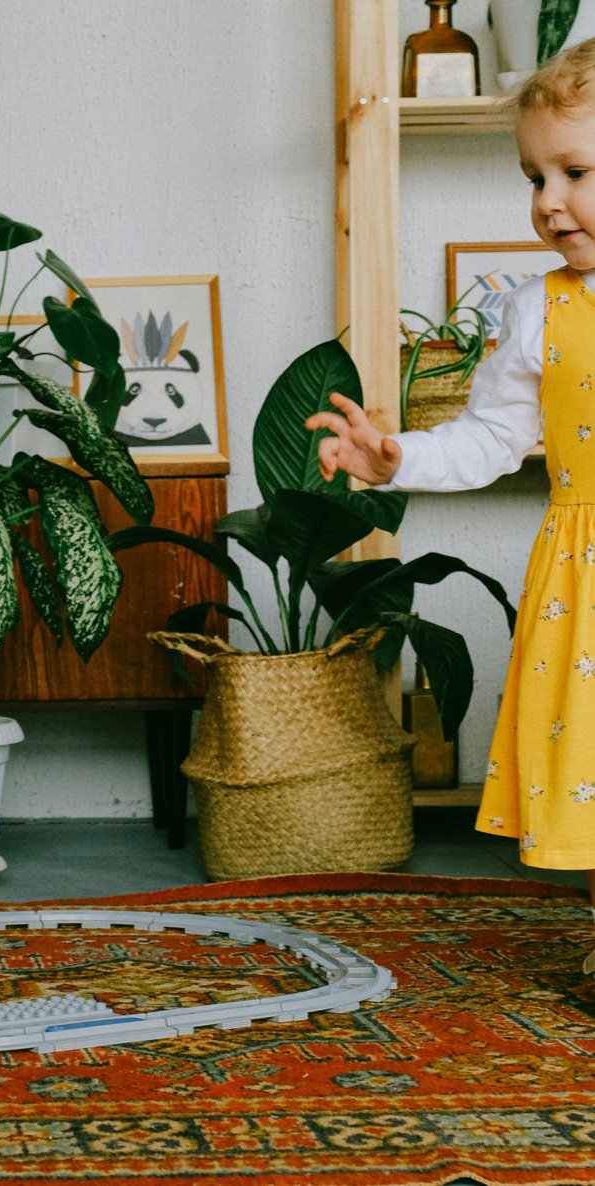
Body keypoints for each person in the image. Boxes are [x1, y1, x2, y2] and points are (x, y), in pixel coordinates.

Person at [305, 38, 595, 967]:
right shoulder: (538, 311)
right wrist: (395, 458)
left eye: (576, 172)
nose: (548, 201)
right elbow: (490, 438)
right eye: (535, 178)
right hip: (586, 580)